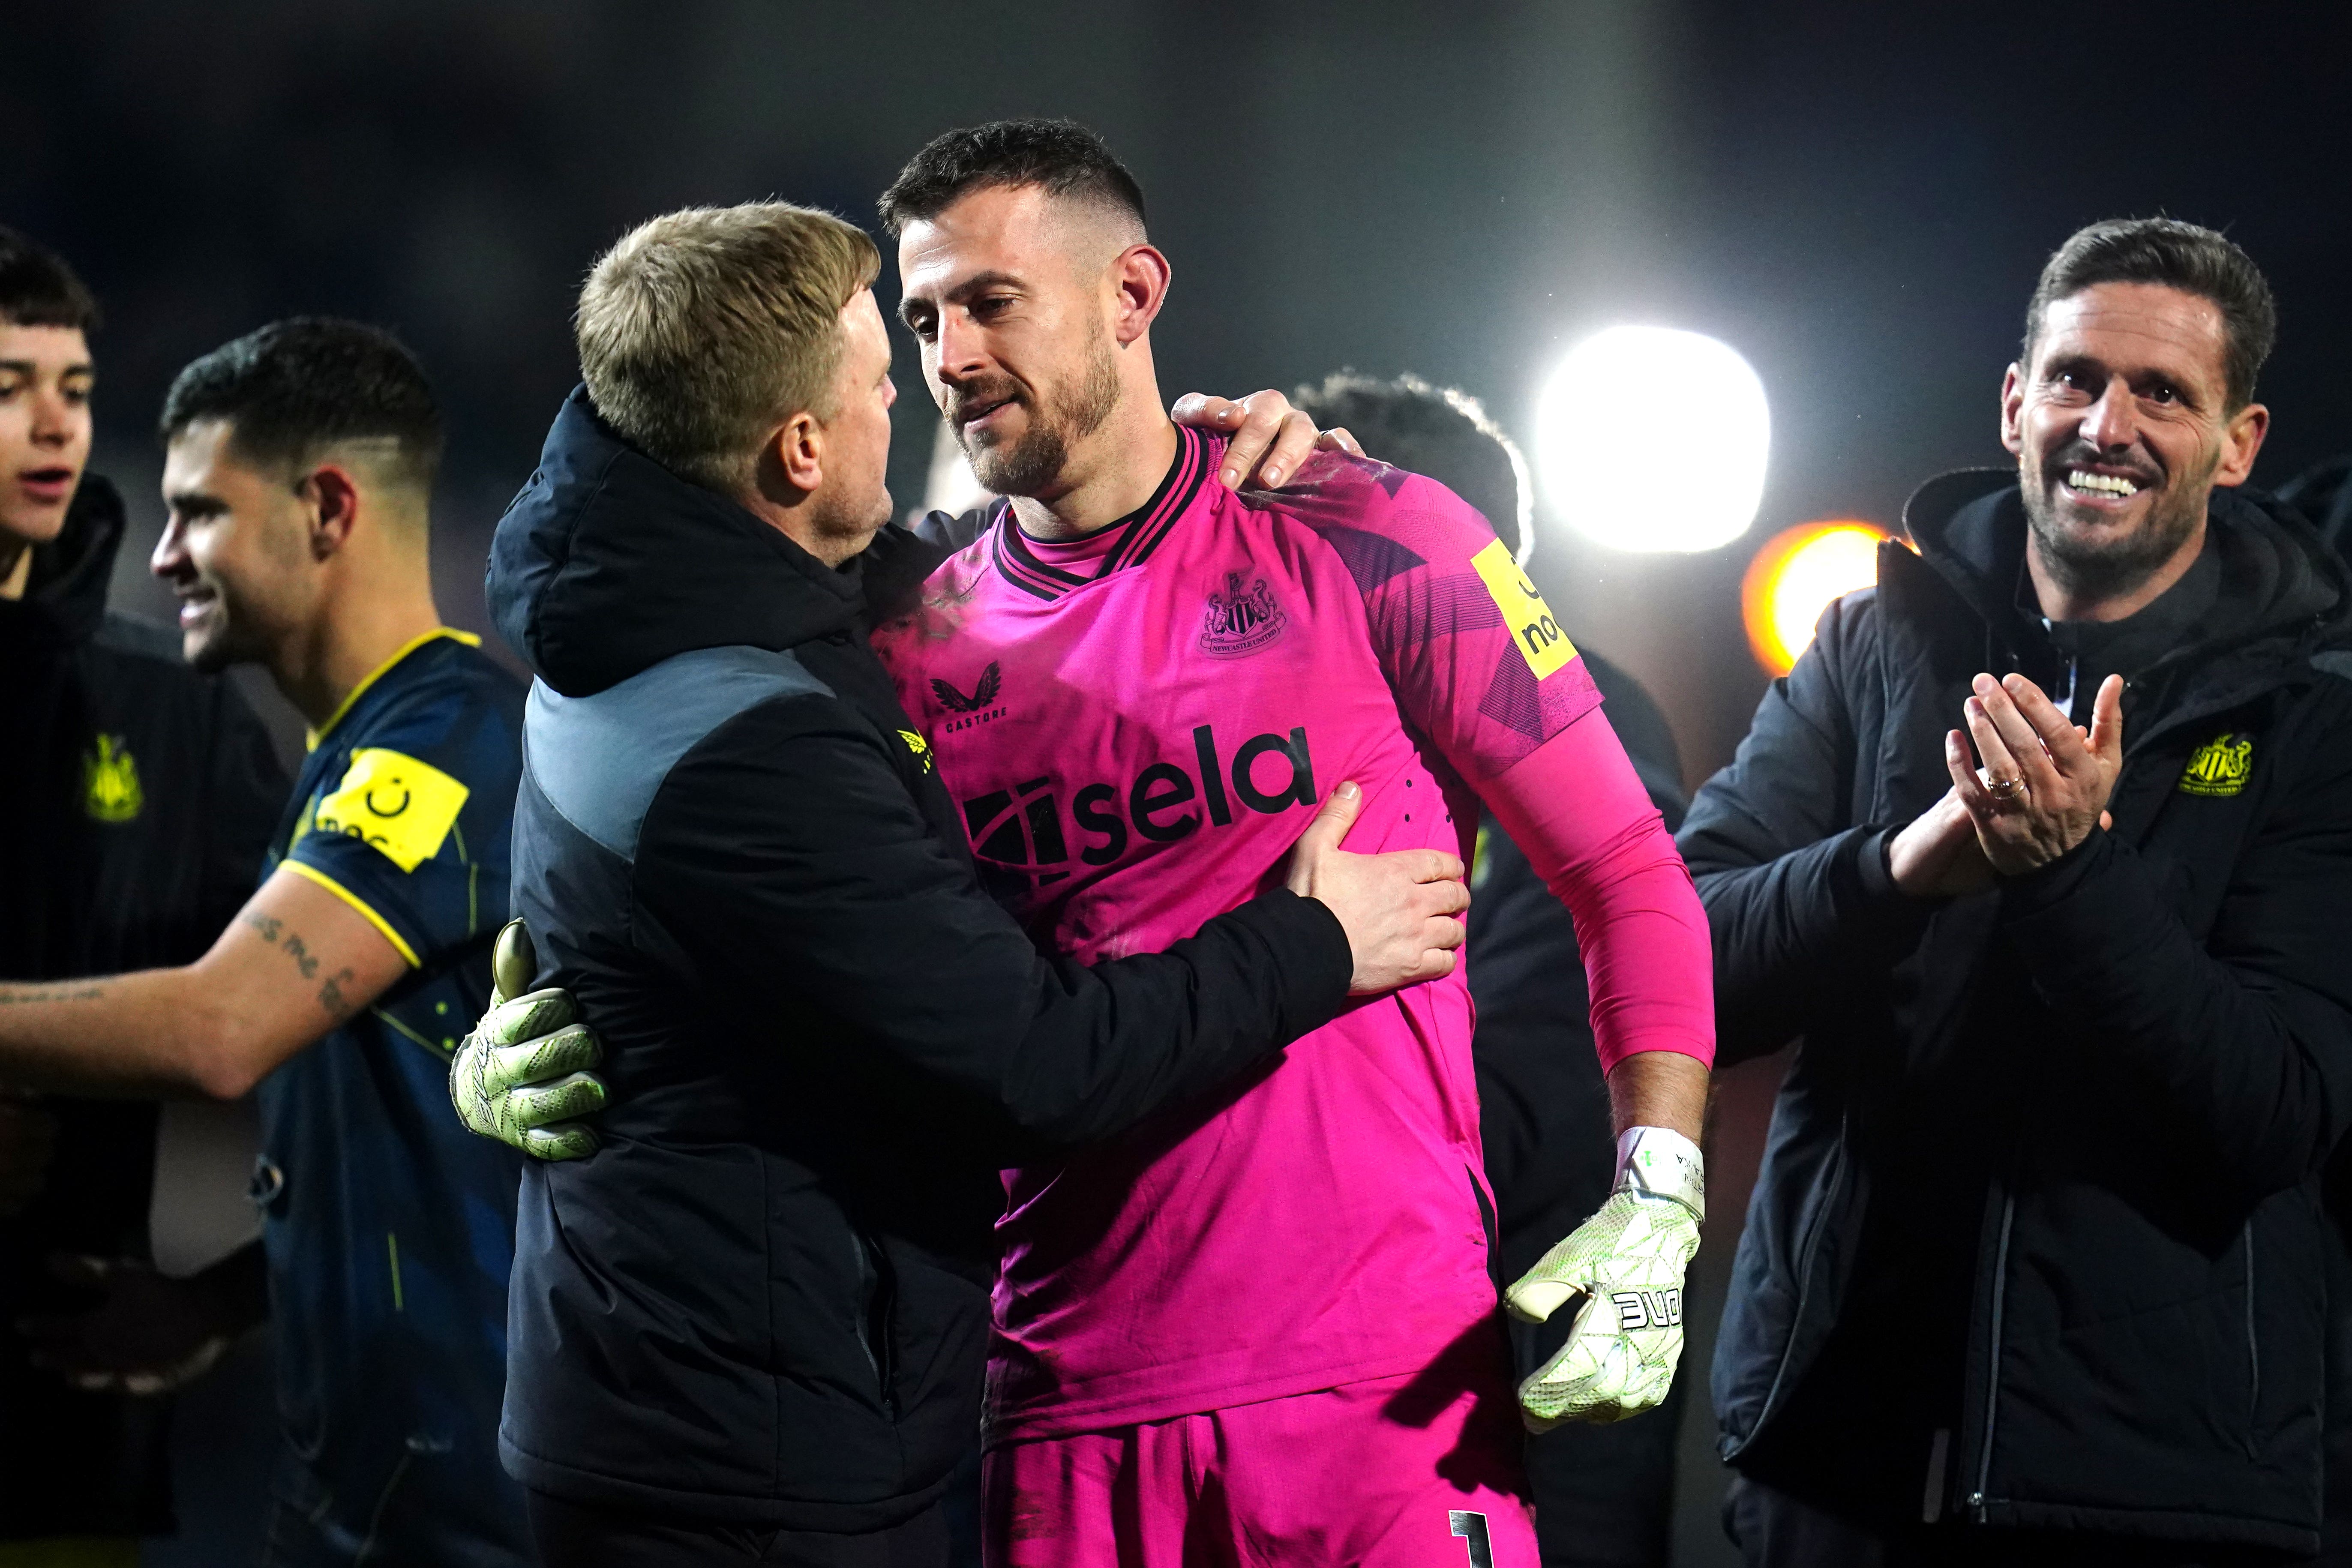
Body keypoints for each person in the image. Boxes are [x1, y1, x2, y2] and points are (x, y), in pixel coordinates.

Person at [455, 195, 1468, 1567]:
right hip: (740, 1457)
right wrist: (1309, 942)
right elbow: (1033, 1062)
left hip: (711, 1396)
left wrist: (1232, 490)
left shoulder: (660, 582)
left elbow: (935, 581)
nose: (921, 386)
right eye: (886, 371)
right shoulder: (749, 740)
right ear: (799, 447)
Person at [866, 118, 1710, 1568]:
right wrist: (561, 980)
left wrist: (1663, 1204)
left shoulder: (1373, 532)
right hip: (1062, 1413)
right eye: (924, 315)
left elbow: (1626, 872)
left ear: (1134, 295)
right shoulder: (907, 645)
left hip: (1382, 1401)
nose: (948, 356)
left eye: (991, 302)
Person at [1681, 216, 2352, 1565]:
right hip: (1832, 1453)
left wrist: (2068, 870)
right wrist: (1899, 866)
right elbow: (1681, 961)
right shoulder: (1876, 638)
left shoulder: (2312, 719)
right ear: (2013, 401)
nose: (2108, 422)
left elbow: (2276, 1107)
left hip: (2145, 1491)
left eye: (2163, 392)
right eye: (2076, 377)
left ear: (2239, 443)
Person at [0, 318, 534, 1566]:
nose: (167, 554)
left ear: (329, 508)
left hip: (461, 1509)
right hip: (369, 1481)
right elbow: (425, 1137)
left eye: (200, 514)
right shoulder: (349, 757)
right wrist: (223, 1298)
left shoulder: (446, 748)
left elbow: (221, 1027)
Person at [1294, 370, 1695, 1568]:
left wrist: (1286, 974)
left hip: (1514, 1410)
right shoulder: (1326, 739)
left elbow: (1531, 1121)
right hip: (1361, 1394)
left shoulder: (1576, 742)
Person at [0, 227, 288, 1563]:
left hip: (66, 1449)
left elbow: (344, 1047)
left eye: (73, 387)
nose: (55, 426)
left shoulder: (171, 714)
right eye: (9, 388)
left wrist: (227, 1297)